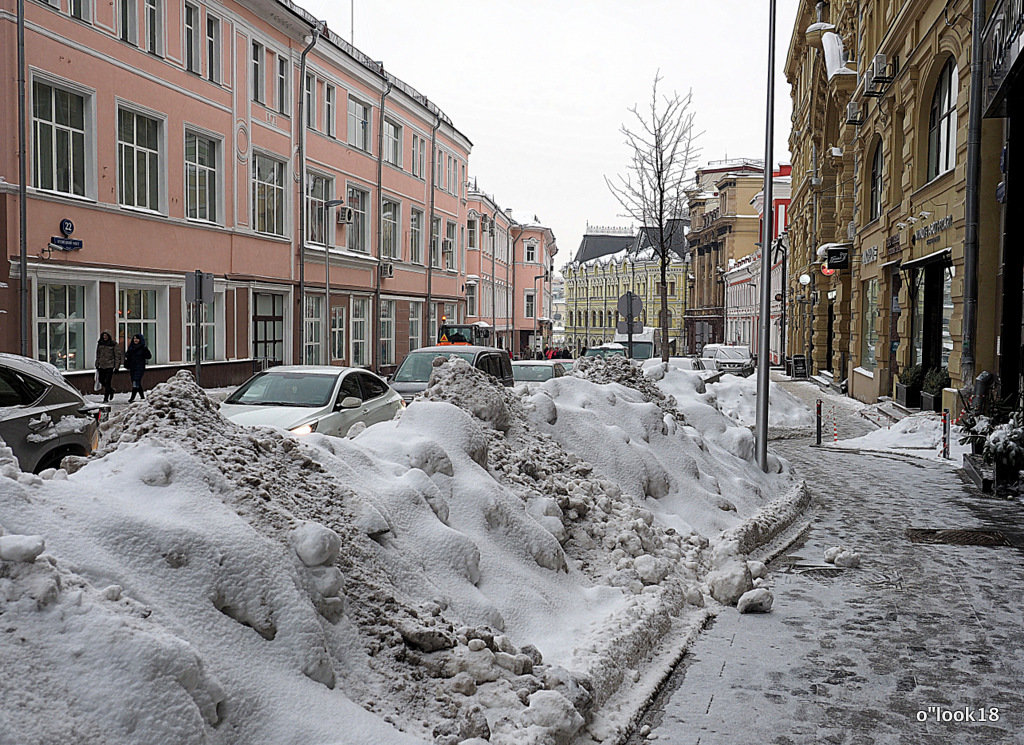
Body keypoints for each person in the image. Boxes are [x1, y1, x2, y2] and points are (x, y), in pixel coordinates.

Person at [95, 330, 124, 403]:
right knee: (101, 380)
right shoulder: (100, 344)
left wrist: (117, 367)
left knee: (108, 382)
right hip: (101, 365)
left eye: (106, 336)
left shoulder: (113, 344)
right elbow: (98, 355)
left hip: (110, 365)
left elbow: (117, 356)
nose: (105, 337)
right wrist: (97, 363)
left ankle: (106, 397)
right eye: (103, 336)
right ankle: (111, 390)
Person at [124, 333, 152, 401]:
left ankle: (132, 397)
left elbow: (149, 356)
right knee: (136, 382)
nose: (135, 340)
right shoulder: (131, 347)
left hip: (140, 367)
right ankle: (142, 397)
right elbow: (127, 356)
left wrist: (146, 351)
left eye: (137, 339)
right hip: (132, 367)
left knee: (136, 381)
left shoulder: (143, 347)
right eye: (134, 338)